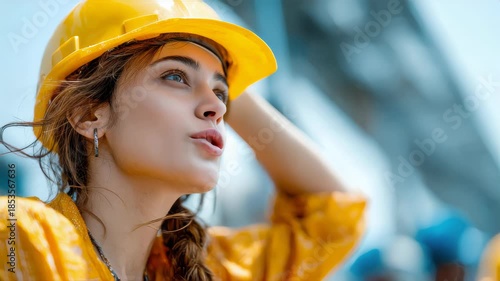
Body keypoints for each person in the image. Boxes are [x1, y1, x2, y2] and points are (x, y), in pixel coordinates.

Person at [0, 0, 367, 280]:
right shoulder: (19, 239)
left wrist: (227, 84)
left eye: (222, 95)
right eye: (175, 76)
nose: (216, 109)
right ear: (88, 115)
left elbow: (334, 220)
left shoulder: (208, 268)